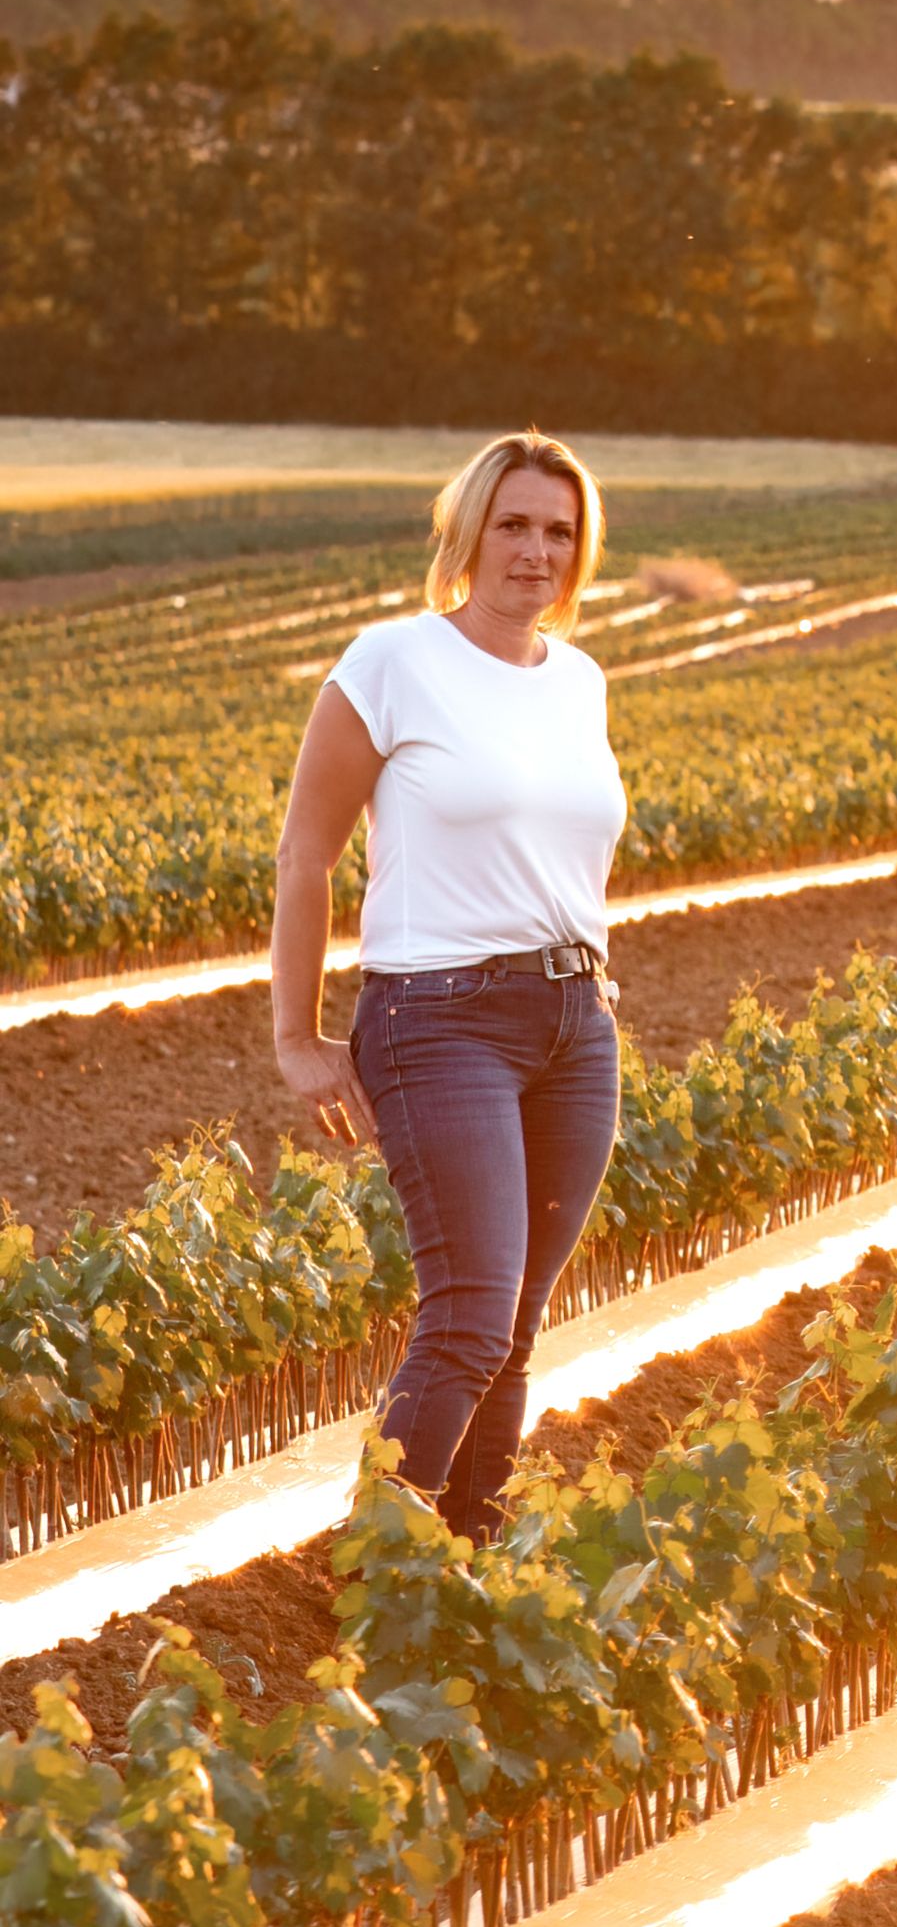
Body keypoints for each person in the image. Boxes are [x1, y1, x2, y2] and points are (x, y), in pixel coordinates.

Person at [272, 431, 628, 1545]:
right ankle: (376, 1567)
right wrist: (298, 1034)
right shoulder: (391, 663)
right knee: (471, 1309)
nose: (537, 551)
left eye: (560, 532)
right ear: (467, 532)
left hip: (576, 1024)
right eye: (514, 524)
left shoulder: (579, 681)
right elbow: (306, 855)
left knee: (516, 1320)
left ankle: (466, 1568)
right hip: (439, 1020)